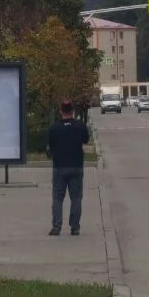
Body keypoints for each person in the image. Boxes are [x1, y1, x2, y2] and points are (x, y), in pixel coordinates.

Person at [46, 99, 90, 236]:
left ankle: (56, 227)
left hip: (59, 167)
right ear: (72, 111)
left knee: (58, 198)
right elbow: (86, 140)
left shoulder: (53, 128)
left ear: (61, 111)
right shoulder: (80, 126)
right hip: (76, 166)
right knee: (76, 198)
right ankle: (75, 227)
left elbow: (50, 147)